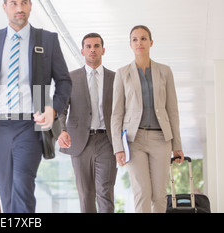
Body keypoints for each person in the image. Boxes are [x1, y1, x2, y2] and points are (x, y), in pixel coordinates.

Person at [0, 0, 72, 213]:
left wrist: (53, 109)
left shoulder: (47, 40)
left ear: (30, 6)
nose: (19, 8)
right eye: (14, 3)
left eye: (24, 3)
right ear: (4, 6)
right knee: (7, 190)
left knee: (23, 184)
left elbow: (64, 81)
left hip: (30, 124)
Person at [111, 25, 185, 213]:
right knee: (142, 192)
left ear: (151, 42)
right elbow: (117, 113)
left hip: (161, 139)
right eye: (135, 39)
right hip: (134, 141)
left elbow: (172, 110)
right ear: (130, 44)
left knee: (159, 194)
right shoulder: (122, 73)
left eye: (143, 38)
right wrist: (118, 147)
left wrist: (177, 145)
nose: (139, 43)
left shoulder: (165, 71)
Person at [58, 33, 117, 213]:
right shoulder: (70, 78)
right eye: (89, 46)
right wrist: (62, 130)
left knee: (105, 191)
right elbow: (62, 108)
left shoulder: (115, 78)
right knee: (85, 193)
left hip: (107, 140)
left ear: (103, 50)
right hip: (79, 141)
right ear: (82, 51)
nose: (93, 50)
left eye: (96, 46)